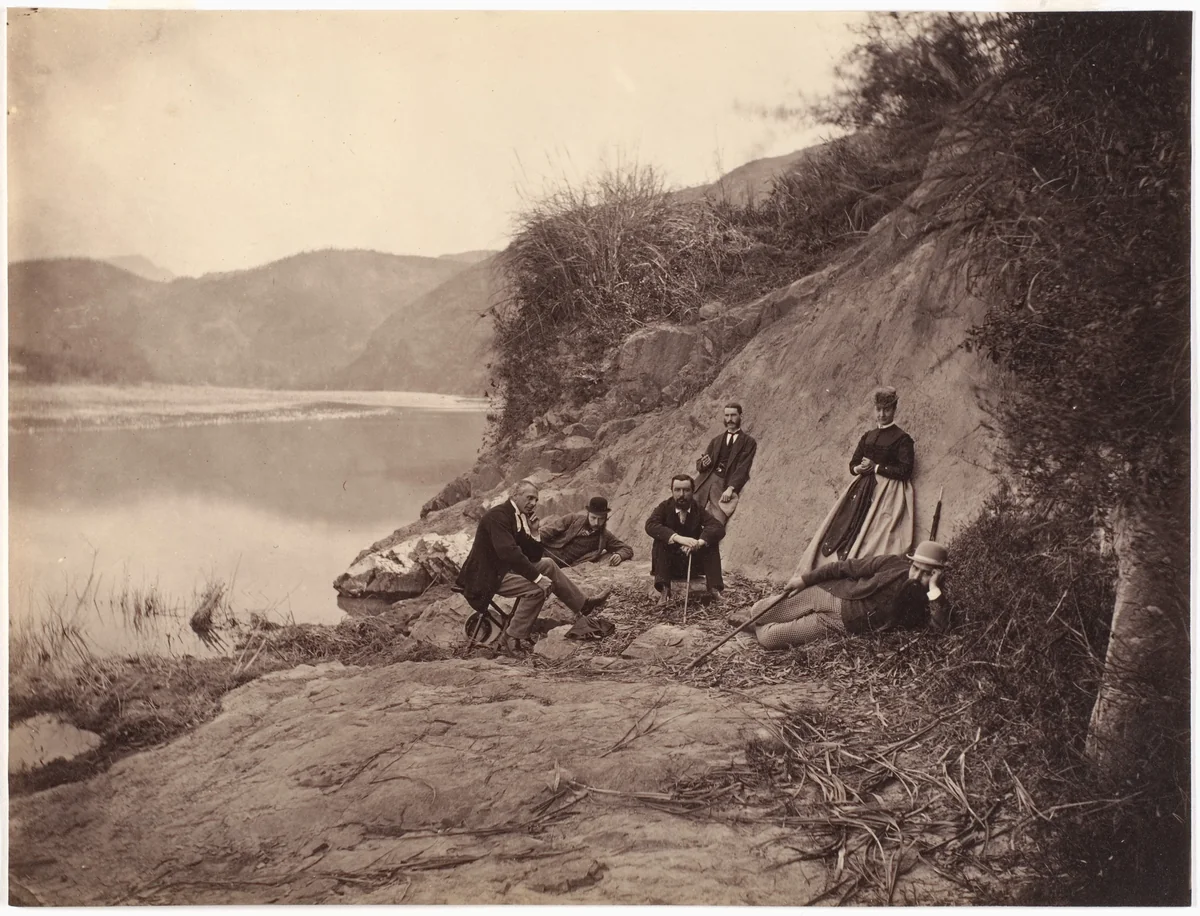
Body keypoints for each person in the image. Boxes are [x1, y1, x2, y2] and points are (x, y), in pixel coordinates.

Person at [456, 480, 610, 655]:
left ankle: (582, 605)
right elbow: (509, 552)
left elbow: (534, 556)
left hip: (502, 571)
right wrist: (537, 579)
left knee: (548, 564)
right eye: (529, 498)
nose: (533, 503)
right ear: (515, 495)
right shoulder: (498, 516)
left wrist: (535, 533)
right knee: (537, 590)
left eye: (536, 500)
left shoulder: (517, 516)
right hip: (485, 578)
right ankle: (511, 638)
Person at [732, 540, 950, 650]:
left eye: (926, 573)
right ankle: (756, 616)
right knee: (760, 610)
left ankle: (755, 626)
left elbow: (940, 630)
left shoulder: (931, 598)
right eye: (916, 568)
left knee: (771, 639)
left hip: (840, 625)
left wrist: (933, 588)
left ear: (937, 574)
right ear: (911, 563)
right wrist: (805, 580)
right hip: (831, 594)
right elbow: (846, 567)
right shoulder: (893, 564)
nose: (917, 575)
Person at [795, 386, 915, 574]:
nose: (882, 414)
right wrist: (858, 468)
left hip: (887, 492)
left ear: (894, 410)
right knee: (844, 525)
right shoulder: (868, 435)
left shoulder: (902, 439)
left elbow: (905, 470)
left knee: (876, 533)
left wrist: (876, 467)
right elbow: (853, 464)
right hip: (861, 488)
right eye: (878, 409)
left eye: (887, 410)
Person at [645, 474, 726, 606]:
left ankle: (714, 589)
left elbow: (717, 527)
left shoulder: (697, 509)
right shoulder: (664, 507)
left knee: (710, 541)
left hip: (692, 563)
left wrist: (698, 543)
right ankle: (665, 591)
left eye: (686, 490)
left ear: (692, 491)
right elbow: (651, 525)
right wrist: (679, 539)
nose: (681, 494)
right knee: (661, 540)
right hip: (668, 566)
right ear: (672, 491)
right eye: (677, 490)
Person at [694, 402, 758, 525]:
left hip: (724, 482)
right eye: (727, 415)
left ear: (741, 416)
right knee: (689, 512)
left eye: (733, 415)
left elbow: (743, 468)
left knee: (718, 520)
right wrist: (704, 463)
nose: (729, 419)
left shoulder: (748, 442)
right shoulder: (716, 440)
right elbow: (700, 464)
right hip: (705, 480)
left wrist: (731, 488)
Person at [539, 496, 635, 568]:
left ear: (606, 518)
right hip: (543, 552)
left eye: (601, 519)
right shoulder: (572, 519)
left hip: (561, 566)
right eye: (593, 518)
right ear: (588, 514)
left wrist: (620, 555)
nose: (596, 523)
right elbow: (546, 531)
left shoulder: (605, 536)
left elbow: (626, 549)